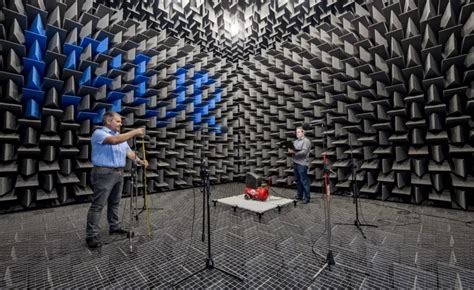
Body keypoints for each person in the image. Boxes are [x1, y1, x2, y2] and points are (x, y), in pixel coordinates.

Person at [85, 112, 149, 248]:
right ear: (109, 121)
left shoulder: (120, 137)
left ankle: (114, 227)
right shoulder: (99, 133)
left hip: (119, 173)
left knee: (115, 203)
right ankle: (91, 235)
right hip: (103, 173)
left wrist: (140, 161)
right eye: (118, 121)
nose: (121, 124)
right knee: (98, 205)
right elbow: (114, 141)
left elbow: (129, 152)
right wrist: (135, 132)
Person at [288, 127, 311, 204]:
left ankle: (307, 198)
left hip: (302, 164)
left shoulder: (306, 141)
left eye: (298, 132)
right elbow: (293, 150)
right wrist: (289, 151)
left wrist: (294, 153)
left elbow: (304, 152)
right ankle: (300, 195)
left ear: (303, 132)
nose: (297, 133)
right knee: (298, 181)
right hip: (296, 163)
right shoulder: (295, 141)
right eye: (296, 132)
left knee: (304, 181)